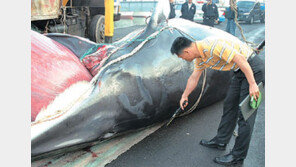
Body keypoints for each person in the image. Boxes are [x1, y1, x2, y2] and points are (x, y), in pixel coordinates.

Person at [170, 36, 264, 166]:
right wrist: (184, 95)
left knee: (246, 116)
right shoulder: (200, 57)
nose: (184, 60)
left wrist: (252, 84)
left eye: (182, 58)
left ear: (186, 52)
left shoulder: (212, 46)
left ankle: (237, 157)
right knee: (230, 105)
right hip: (239, 71)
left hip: (252, 69)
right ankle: (221, 140)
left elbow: (241, 59)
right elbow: (194, 77)